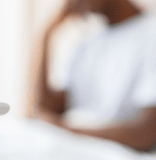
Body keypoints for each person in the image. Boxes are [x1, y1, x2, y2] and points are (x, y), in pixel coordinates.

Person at [30, 0, 156, 152]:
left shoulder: (150, 34)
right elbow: (45, 111)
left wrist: (66, 132)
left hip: (112, 157)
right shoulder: (87, 43)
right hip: (71, 148)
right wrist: (47, 35)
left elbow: (146, 134)